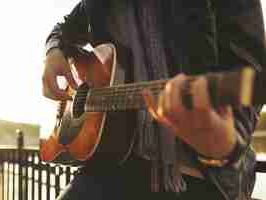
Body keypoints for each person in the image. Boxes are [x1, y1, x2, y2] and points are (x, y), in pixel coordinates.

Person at [42, 0, 266, 199]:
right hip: (112, 164)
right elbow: (63, 30)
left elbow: (249, 70)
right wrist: (53, 51)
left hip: (199, 175)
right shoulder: (98, 5)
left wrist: (223, 146)